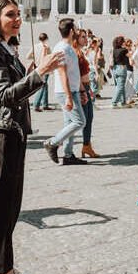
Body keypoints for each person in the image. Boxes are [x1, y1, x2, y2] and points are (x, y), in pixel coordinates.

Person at [0, 0, 64, 274]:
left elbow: (15, 88)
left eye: (19, 14)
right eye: (10, 15)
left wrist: (32, 71)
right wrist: (39, 73)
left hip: (13, 133)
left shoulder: (5, 49)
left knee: (10, 207)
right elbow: (4, 96)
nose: (17, 20)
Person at [43, 18, 87, 166]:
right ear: (70, 31)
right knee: (79, 121)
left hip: (72, 90)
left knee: (70, 122)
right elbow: (62, 73)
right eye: (75, 29)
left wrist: (82, 91)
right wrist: (69, 96)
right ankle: (52, 142)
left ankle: (68, 155)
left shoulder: (69, 48)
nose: (77, 31)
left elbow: (74, 73)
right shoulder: (61, 48)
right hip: (65, 92)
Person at [74, 29, 99, 159]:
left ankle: (86, 145)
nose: (86, 39)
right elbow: (75, 74)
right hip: (80, 89)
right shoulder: (75, 53)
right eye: (83, 37)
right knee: (79, 121)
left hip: (86, 87)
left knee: (89, 118)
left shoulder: (82, 52)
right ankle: (58, 142)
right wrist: (83, 90)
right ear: (76, 38)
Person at [31, 33, 53, 112]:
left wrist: (35, 58)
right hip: (45, 68)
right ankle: (36, 105)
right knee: (42, 86)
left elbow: (28, 56)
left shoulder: (35, 46)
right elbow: (50, 57)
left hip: (37, 67)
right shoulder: (47, 47)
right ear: (46, 39)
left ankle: (45, 104)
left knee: (45, 86)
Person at [110, 36, 130, 108]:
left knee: (120, 86)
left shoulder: (114, 50)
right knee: (120, 87)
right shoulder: (124, 50)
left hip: (115, 69)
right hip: (122, 68)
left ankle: (123, 101)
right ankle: (114, 102)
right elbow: (130, 56)